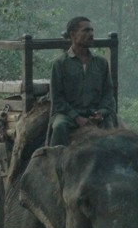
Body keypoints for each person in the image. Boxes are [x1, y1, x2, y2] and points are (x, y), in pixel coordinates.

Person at [48, 16, 116, 146]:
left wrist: (100, 113)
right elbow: (57, 99)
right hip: (69, 115)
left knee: (112, 133)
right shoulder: (60, 64)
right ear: (73, 35)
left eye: (91, 30)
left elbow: (108, 94)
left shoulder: (101, 63)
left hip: (94, 114)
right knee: (59, 126)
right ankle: (56, 163)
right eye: (86, 31)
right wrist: (76, 117)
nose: (91, 34)